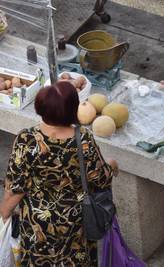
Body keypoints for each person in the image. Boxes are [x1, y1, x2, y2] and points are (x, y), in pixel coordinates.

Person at [0, 81, 118, 266]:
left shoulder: (27, 140)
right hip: (76, 224)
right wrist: (112, 165)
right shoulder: (83, 140)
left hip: (38, 225)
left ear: (40, 108)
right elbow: (101, 180)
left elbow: (15, 188)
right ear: (73, 109)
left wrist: (4, 215)